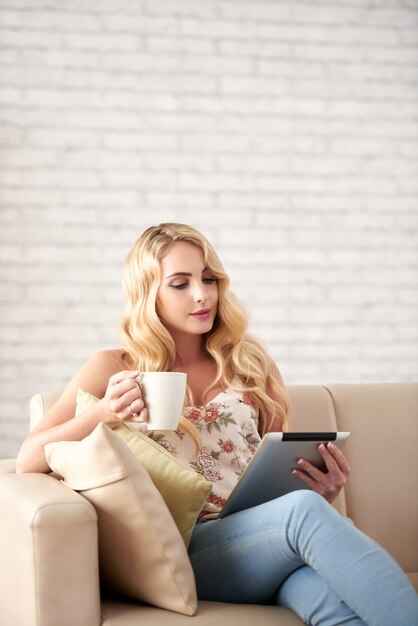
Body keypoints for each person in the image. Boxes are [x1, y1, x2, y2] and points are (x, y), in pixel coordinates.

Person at [17, 223, 418, 626]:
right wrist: (103, 412)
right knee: (302, 511)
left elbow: (284, 462)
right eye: (180, 283)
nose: (202, 294)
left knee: (330, 603)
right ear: (148, 292)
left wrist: (320, 488)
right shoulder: (112, 367)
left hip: (263, 539)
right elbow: (29, 459)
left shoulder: (251, 363)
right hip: (186, 551)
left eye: (209, 279)